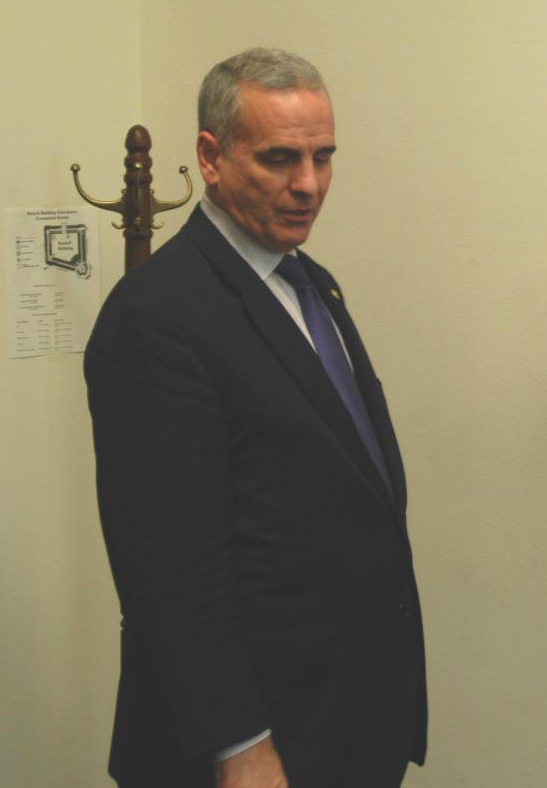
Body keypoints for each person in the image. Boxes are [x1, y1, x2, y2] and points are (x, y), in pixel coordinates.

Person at [85, 48, 426, 788]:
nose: (309, 184)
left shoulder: (310, 284)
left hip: (343, 718)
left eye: (322, 157)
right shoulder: (156, 316)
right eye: (279, 159)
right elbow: (170, 568)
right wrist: (239, 744)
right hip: (254, 746)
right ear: (211, 158)